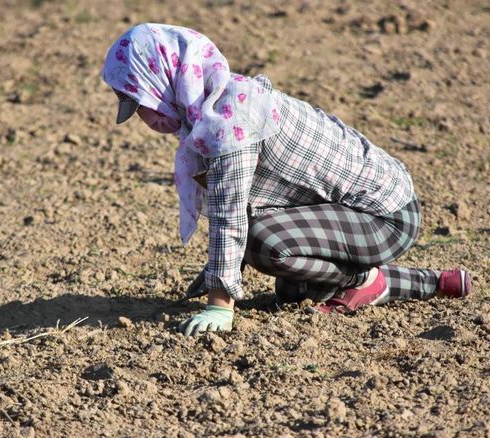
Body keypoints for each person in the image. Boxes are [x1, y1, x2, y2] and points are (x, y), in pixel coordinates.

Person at [100, 23, 471, 337]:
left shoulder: (230, 121)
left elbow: (231, 216)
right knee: (295, 293)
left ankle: (359, 280)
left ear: (164, 77)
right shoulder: (210, 108)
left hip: (385, 216)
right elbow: (236, 204)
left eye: (140, 103)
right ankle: (428, 282)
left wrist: (220, 305)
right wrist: (220, 271)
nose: (143, 119)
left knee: (267, 244)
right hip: (351, 214)